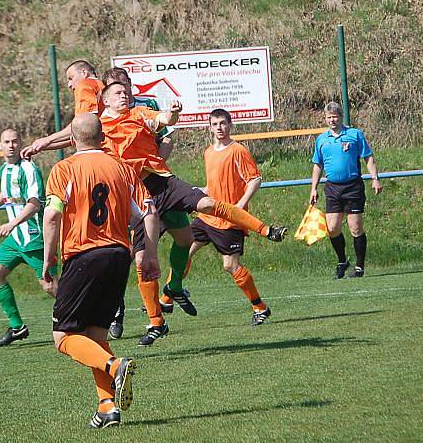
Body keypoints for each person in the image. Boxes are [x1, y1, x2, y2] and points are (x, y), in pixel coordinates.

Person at [99, 82, 287, 345]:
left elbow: (164, 118)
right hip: (137, 194)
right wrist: (43, 143)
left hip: (162, 182)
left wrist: (173, 113)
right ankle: (156, 322)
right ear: (105, 100)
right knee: (143, 261)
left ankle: (266, 230)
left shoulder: (139, 113)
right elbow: (76, 136)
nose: (124, 96)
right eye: (118, 93)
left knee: (208, 206)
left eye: (125, 92)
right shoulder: (99, 127)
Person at [41, 113, 160, 428]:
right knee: (94, 334)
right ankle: (107, 407)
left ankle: (116, 365)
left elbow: (52, 217)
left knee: (64, 337)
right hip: (118, 256)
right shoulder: (122, 168)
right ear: (103, 138)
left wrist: (47, 259)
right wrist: (149, 254)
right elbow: (146, 213)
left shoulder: (64, 168)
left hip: (84, 256)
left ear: (72, 140)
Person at [100, 67, 188, 340]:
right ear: (106, 94)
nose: (122, 92)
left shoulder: (144, 108)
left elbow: (167, 136)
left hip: (158, 185)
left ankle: (173, 288)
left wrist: (153, 166)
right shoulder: (100, 119)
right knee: (123, 254)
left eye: (124, 86)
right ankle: (121, 312)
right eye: (115, 88)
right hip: (125, 192)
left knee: (185, 238)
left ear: (130, 86)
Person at [183, 109, 273, 325]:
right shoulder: (208, 152)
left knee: (230, 266)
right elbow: (213, 185)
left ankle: (260, 307)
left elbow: (254, 179)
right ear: (210, 127)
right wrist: (199, 192)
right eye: (215, 124)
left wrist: (239, 206)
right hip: (207, 216)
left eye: (223, 123)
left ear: (230, 125)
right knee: (183, 251)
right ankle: (167, 297)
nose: (219, 128)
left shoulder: (238, 151)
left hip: (229, 219)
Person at [0, 129, 55, 347]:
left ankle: (84, 317)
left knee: (50, 287)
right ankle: (17, 327)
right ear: (0, 145)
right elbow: (7, 193)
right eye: (6, 142)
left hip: (34, 236)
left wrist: (12, 223)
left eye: (14, 141)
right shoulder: (5, 169)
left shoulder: (29, 168)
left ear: (21, 143)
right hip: (16, 240)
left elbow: (35, 203)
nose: (11, 145)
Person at [309, 102, 383, 278]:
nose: (332, 120)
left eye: (335, 116)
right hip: (332, 188)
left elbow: (368, 157)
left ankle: (359, 267)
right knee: (332, 227)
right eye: (329, 117)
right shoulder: (322, 139)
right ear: (325, 119)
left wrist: (375, 178)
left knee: (355, 227)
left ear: (341, 117)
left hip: (352, 186)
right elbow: (317, 165)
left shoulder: (354, 134)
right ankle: (342, 261)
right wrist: (314, 188)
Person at [21, 60, 104, 158]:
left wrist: (47, 140)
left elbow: (84, 127)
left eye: (71, 78)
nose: (69, 85)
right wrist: (42, 146)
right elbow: (80, 136)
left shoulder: (85, 85)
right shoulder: (101, 86)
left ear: (84, 73)